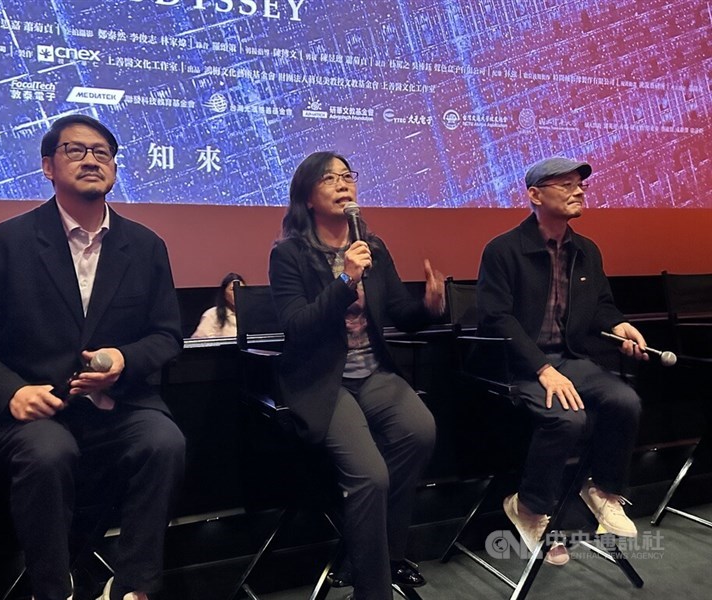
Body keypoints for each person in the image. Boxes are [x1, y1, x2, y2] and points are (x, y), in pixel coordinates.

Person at [0, 114, 185, 600]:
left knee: (165, 442)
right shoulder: (5, 242)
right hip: (37, 410)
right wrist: (12, 392)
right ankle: (53, 590)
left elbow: (166, 335)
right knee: (49, 453)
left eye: (102, 152)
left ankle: (133, 587)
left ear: (114, 167)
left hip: (118, 407)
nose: (91, 160)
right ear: (48, 167)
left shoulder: (145, 245)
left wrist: (123, 359)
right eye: (75, 150)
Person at [269, 151, 445, 600]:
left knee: (420, 432)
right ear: (308, 197)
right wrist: (345, 281)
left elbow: (399, 313)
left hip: (373, 371)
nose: (343, 184)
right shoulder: (289, 254)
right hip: (321, 380)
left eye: (347, 176)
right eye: (329, 178)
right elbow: (297, 327)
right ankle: (373, 588)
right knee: (371, 476)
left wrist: (428, 307)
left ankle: (375, 553)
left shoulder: (373, 247)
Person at [476, 156, 647, 566]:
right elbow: (497, 317)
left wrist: (619, 324)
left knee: (625, 401)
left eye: (580, 184)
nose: (578, 191)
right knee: (567, 418)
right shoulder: (503, 250)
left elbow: (601, 304)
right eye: (565, 185)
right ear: (535, 195)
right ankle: (529, 506)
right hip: (519, 364)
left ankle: (602, 489)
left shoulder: (586, 250)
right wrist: (542, 368)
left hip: (569, 359)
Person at [191, 272, 245, 338]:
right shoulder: (212, 315)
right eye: (232, 289)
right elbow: (200, 339)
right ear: (224, 293)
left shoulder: (251, 314)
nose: (238, 292)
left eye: (241, 289)